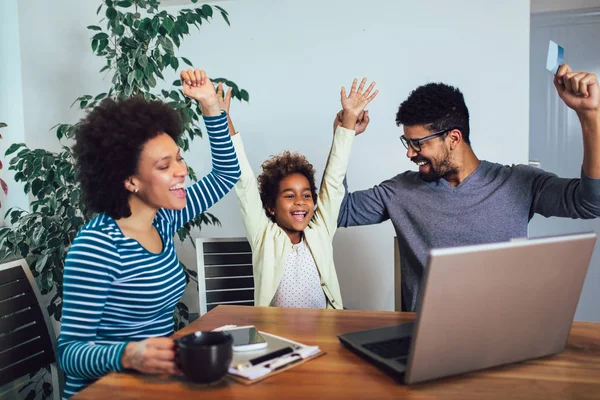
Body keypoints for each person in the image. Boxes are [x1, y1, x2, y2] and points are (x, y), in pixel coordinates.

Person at [337, 64, 600, 312]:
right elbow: (338, 211)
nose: (410, 153)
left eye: (418, 144)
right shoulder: (400, 191)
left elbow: (591, 203)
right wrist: (344, 134)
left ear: (453, 138)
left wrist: (590, 117)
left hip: (503, 337)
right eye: (407, 142)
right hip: (427, 341)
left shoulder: (518, 182)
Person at [57, 69, 240, 398]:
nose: (181, 170)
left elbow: (227, 174)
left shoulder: (164, 219)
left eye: (180, 159)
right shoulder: (97, 246)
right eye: (164, 165)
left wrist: (211, 106)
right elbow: (70, 354)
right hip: (103, 392)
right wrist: (129, 354)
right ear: (130, 180)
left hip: (150, 387)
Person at [221, 78, 377, 308]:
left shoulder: (320, 231)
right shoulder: (263, 236)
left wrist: (349, 120)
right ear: (270, 207)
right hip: (276, 338)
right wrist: (221, 117)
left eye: (306, 195)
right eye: (289, 196)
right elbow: (243, 181)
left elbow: (333, 181)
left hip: (322, 335)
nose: (301, 203)